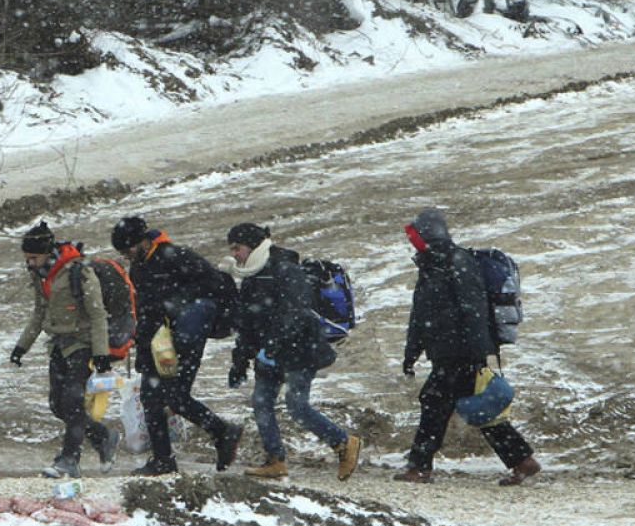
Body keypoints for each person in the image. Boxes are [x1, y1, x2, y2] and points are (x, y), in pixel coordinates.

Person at [395, 208, 539, 486]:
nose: (413, 242)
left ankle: (420, 467)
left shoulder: (457, 262)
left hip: (459, 354)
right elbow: (420, 316)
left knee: (435, 405)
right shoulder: (431, 266)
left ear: (428, 234)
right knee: (478, 409)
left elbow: (473, 310)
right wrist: (411, 353)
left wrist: (476, 353)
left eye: (416, 236)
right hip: (449, 353)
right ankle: (522, 460)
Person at [224, 224, 361, 481]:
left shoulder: (286, 269)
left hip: (300, 350)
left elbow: (295, 313)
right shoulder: (252, 275)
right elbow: (247, 322)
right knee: (261, 402)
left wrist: (272, 346)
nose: (235, 255)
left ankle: (344, 443)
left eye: (237, 248)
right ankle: (275, 460)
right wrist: (240, 361)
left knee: (296, 405)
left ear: (252, 245)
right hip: (272, 351)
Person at [112, 216, 244, 476]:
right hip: (158, 342)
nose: (127, 256)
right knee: (150, 397)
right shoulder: (138, 269)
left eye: (129, 249)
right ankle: (163, 460)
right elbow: (147, 312)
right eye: (122, 253)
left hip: (187, 339)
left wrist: (182, 311)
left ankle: (222, 431)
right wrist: (142, 351)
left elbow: (219, 287)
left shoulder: (177, 256)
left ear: (144, 240)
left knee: (175, 397)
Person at [9, 223, 116, 479]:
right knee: (57, 404)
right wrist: (21, 346)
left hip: (83, 344)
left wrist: (101, 354)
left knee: (72, 401)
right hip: (58, 344)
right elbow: (39, 312)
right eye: (27, 259)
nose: (30, 264)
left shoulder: (79, 272)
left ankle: (69, 459)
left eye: (33, 258)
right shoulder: (40, 276)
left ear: (47, 252)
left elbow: (98, 314)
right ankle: (103, 436)